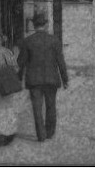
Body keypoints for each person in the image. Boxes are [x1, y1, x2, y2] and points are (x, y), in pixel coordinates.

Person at [17, 11, 69, 142]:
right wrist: (65, 79)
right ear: (45, 25)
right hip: (51, 79)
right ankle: (50, 132)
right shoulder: (54, 40)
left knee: (37, 107)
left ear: (34, 25)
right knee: (51, 106)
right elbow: (60, 62)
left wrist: (18, 77)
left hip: (34, 80)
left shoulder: (27, 41)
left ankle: (41, 135)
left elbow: (21, 62)